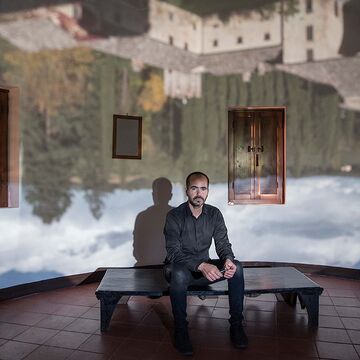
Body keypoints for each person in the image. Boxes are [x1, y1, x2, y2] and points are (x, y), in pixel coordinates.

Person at [163, 171, 248, 356]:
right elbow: (173, 252)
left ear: (207, 192)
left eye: (203, 189)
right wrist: (201, 265)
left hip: (205, 271)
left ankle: (236, 326)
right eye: (194, 188)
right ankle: (181, 330)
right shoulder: (174, 216)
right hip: (180, 271)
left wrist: (228, 259)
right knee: (177, 272)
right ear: (187, 191)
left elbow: (223, 244)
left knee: (238, 267)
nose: (199, 193)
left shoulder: (214, 214)